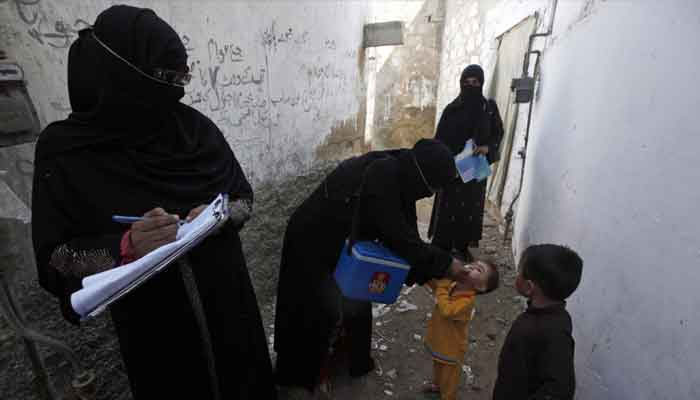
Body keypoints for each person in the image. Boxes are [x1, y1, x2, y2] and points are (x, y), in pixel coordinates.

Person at [31, 6, 275, 399]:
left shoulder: (195, 130)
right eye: (165, 79)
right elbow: (56, 260)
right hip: (158, 334)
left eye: (182, 79)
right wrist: (125, 246)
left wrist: (223, 214)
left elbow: (243, 196)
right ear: (120, 78)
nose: (176, 91)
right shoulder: (68, 155)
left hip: (232, 311)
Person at [273, 139, 474, 396]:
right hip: (312, 239)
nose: (430, 193)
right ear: (423, 177)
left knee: (355, 298)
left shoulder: (403, 170)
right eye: (431, 187)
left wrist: (429, 273)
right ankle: (301, 378)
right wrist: (447, 265)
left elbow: (409, 236)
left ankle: (349, 360)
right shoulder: (384, 176)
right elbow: (399, 238)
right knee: (315, 310)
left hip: (342, 240)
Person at [428, 64, 504, 261]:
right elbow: (439, 139)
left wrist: (488, 148)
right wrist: (445, 160)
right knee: (448, 206)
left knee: (469, 209)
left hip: (476, 167)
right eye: (467, 82)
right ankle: (442, 247)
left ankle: (461, 247)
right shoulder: (451, 110)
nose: (471, 85)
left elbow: (498, 133)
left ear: (481, 83)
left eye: (476, 82)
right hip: (452, 168)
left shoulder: (489, 108)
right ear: (461, 83)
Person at [492, 244, 583, 400]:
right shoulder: (560, 316)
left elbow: (560, 389)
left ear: (529, 287)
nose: (517, 274)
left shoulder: (542, 330)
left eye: (519, 272)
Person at [422, 259, 499, 400]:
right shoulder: (454, 284)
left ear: (480, 287)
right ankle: (437, 385)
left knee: (449, 378)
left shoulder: (466, 301)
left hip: (451, 348)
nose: (473, 266)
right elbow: (438, 287)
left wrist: (441, 288)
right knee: (438, 366)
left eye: (479, 269)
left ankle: (448, 396)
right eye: (474, 263)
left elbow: (447, 310)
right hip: (439, 339)